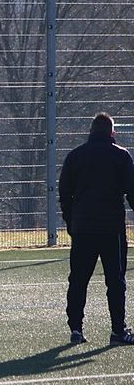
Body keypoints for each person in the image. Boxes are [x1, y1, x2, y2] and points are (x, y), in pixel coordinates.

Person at [59, 112, 134, 345]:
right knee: (115, 280)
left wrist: (71, 221)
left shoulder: (75, 156)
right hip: (111, 228)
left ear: (90, 131)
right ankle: (118, 331)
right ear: (112, 132)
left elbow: (64, 193)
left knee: (79, 279)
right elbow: (132, 192)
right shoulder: (120, 156)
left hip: (83, 227)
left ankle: (76, 328)